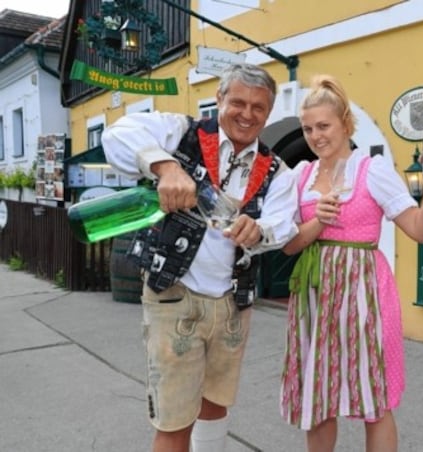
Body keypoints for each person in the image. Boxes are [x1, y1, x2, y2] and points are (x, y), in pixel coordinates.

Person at [101, 63, 299, 452]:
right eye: (238, 102)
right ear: (219, 100)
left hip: (233, 303)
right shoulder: (181, 130)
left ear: (269, 112)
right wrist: (165, 166)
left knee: (215, 405)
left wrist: (260, 232)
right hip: (175, 295)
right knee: (175, 418)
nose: (247, 113)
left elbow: (285, 222)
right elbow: (117, 134)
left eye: (258, 107)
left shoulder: (277, 170)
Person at [279, 74, 423, 452]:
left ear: (345, 122)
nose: (315, 136)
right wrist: (317, 222)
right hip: (314, 295)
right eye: (308, 128)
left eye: (323, 126)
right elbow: (289, 246)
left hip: (364, 294)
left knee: (374, 399)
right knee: (319, 398)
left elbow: (421, 231)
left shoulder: (372, 170)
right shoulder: (300, 176)